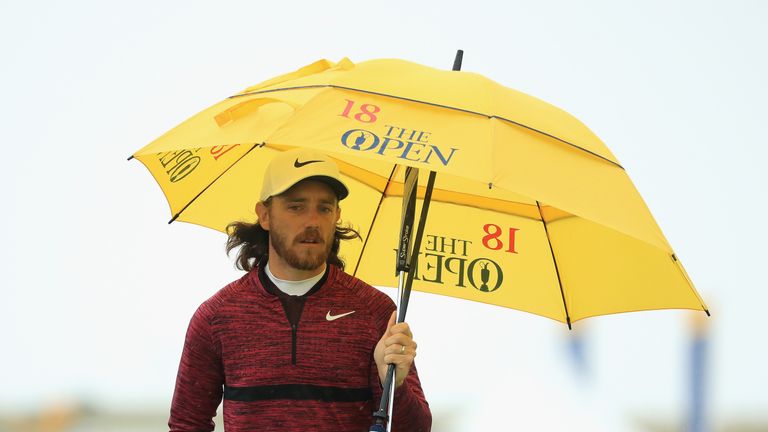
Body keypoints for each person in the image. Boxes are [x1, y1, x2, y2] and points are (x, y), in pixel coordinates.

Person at [169, 148, 432, 431]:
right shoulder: (217, 316)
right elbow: (187, 423)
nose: (313, 221)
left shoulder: (376, 312)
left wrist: (393, 384)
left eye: (324, 208)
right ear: (265, 215)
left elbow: (416, 429)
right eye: (296, 206)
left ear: (337, 216)